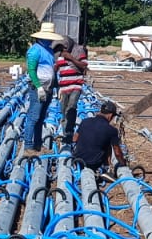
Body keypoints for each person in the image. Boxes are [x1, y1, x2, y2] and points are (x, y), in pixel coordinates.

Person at [22, 20, 66, 156]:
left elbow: (53, 71)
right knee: (33, 117)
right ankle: (28, 147)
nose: (48, 40)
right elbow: (31, 70)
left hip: (48, 87)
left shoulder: (49, 51)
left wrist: (57, 87)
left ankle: (38, 145)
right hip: (38, 88)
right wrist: (38, 87)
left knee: (41, 118)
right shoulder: (34, 51)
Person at [73, 100, 128, 174]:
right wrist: (123, 164)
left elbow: (75, 139)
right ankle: (106, 168)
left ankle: (106, 166)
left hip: (77, 161)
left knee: (105, 142)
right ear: (110, 115)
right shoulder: (111, 130)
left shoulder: (85, 121)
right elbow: (117, 152)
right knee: (107, 143)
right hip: (93, 164)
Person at [54, 39, 88, 143]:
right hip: (64, 87)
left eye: (66, 47)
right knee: (64, 110)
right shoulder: (58, 55)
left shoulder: (78, 52)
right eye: (62, 47)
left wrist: (71, 58)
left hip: (75, 85)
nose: (64, 49)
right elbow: (55, 68)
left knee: (71, 108)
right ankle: (66, 134)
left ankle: (69, 132)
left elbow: (84, 66)